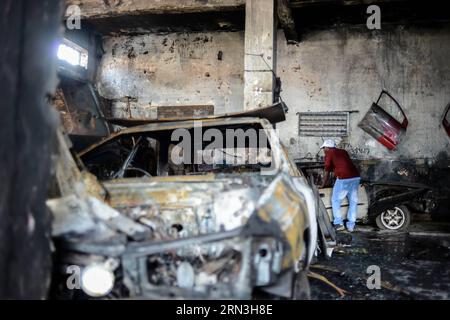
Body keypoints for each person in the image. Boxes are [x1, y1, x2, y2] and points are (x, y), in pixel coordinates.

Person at [319, 140, 360, 232]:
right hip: (355, 177)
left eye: (324, 148)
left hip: (343, 178)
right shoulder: (343, 151)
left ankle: (338, 223)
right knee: (353, 201)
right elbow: (343, 164)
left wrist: (322, 184)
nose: (323, 150)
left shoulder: (329, 153)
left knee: (336, 200)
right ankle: (351, 225)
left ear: (327, 147)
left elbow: (326, 171)